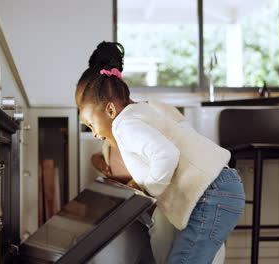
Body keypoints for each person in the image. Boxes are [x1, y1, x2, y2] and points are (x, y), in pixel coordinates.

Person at [76, 41, 245, 263]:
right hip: (217, 189)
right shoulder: (140, 113)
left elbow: (167, 155)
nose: (95, 134)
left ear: (109, 110)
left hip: (210, 194)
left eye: (90, 124)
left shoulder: (124, 125)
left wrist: (149, 189)